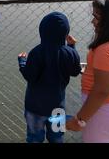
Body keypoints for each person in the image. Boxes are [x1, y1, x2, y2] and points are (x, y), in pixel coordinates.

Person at [18, 12, 81, 143]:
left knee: (35, 138)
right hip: (57, 107)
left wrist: (22, 62)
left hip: (35, 108)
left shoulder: (36, 53)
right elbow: (75, 71)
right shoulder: (70, 53)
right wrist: (71, 47)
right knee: (56, 137)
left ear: (42, 30)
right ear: (65, 32)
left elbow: (29, 76)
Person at [66, 0, 109, 142]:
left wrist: (80, 119)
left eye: (96, 17)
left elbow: (102, 90)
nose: (92, 21)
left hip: (103, 111)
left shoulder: (106, 49)